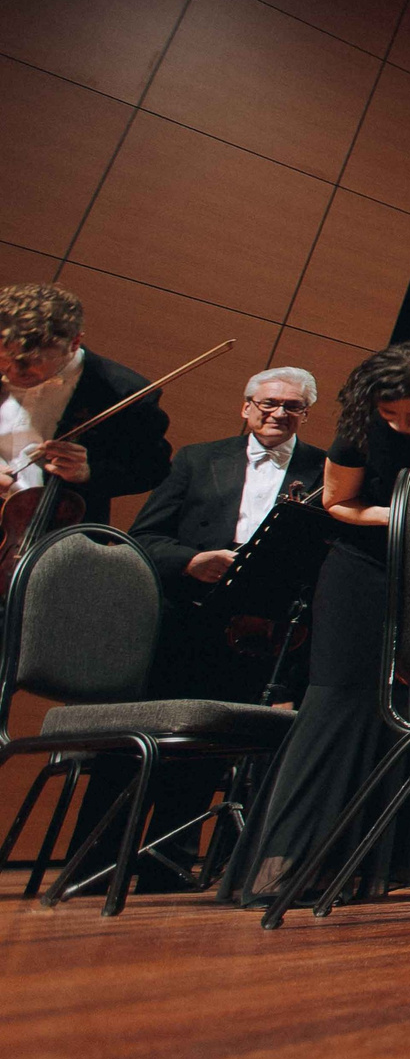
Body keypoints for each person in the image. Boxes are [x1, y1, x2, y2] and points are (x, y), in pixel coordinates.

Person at [238, 342, 410, 902]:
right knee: (339, 700)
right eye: (393, 415)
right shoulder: (362, 425)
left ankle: (365, 866)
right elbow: (339, 503)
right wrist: (401, 515)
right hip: (365, 564)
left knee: (406, 708)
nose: (404, 426)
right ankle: (288, 862)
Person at [91, 367, 326, 889]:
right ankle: (95, 863)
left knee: (205, 752)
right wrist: (193, 560)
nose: (278, 413)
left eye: (292, 406)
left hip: (258, 630)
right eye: (267, 403)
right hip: (184, 619)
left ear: (306, 414)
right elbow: (143, 538)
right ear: (246, 406)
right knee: (135, 743)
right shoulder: (197, 459)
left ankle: (166, 868)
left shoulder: (325, 470)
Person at [0, 280, 173, 527]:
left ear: (74, 342)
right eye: (5, 359)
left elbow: (152, 469)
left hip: (53, 536)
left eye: (32, 361)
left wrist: (89, 471)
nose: (13, 372)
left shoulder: (124, 391)